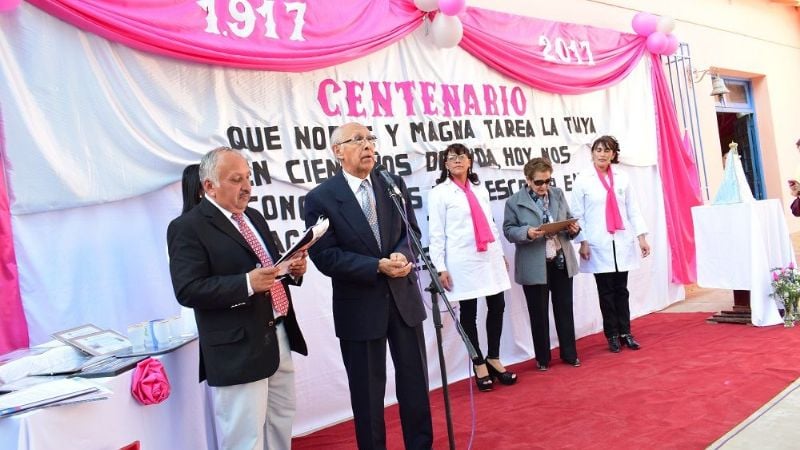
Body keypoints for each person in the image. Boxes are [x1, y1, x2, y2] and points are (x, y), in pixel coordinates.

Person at [167, 147, 309, 450]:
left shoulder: (254, 217)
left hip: (278, 333)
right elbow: (188, 289)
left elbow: (268, 267)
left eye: (248, 178)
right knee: (246, 438)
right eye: (236, 179)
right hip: (237, 350)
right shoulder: (188, 228)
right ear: (209, 186)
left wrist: (291, 269)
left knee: (280, 423)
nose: (247, 187)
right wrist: (245, 283)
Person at [304, 122, 433, 450]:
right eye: (357, 139)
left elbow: (411, 233)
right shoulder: (320, 199)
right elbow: (325, 256)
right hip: (359, 307)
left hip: (403, 299)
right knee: (368, 394)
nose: (367, 145)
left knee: (415, 385)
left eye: (370, 139)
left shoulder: (392, 183)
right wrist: (375, 266)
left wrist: (402, 256)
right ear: (338, 152)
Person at [427, 143, 515, 391]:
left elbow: (491, 223)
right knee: (469, 312)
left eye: (461, 156)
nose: (457, 160)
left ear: (469, 161)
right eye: (451, 157)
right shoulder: (439, 193)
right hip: (461, 261)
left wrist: (499, 254)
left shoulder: (479, 189)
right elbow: (436, 234)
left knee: (497, 305)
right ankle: (478, 362)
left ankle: (494, 357)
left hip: (488, 256)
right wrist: (440, 267)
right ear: (445, 164)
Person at [570, 136, 650, 353]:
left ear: (614, 154)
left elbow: (632, 209)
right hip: (598, 243)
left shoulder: (622, 178)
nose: (602, 154)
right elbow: (578, 215)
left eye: (607, 151)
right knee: (605, 292)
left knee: (621, 290)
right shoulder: (583, 179)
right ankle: (612, 335)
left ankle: (626, 332)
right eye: (598, 150)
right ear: (592, 153)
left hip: (621, 241)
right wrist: (583, 242)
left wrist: (641, 237)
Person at [503, 157, 582, 370]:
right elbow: (508, 231)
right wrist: (527, 232)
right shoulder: (513, 202)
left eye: (548, 181)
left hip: (560, 260)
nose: (544, 186)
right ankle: (543, 358)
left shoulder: (557, 194)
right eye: (539, 182)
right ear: (528, 180)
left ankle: (569, 353)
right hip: (534, 264)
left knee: (565, 309)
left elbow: (568, 218)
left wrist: (573, 228)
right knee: (538, 313)